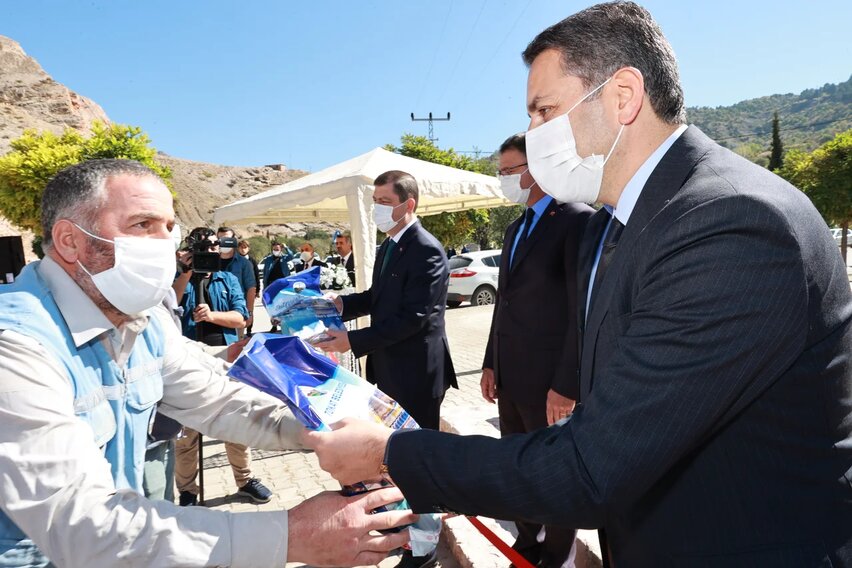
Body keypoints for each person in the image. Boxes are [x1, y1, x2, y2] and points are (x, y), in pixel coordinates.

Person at [304, 3, 852, 566]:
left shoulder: (730, 222)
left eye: (544, 111)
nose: (533, 135)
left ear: (622, 97)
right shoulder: (626, 221)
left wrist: (392, 454)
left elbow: (591, 468)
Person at [0, 159, 414, 567]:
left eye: (168, 228)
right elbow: (83, 525)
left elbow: (218, 401)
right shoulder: (16, 348)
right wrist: (292, 536)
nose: (164, 244)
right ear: (70, 240)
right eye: (142, 225)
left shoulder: (142, 322)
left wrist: (327, 433)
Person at [319, 170, 458, 568]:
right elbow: (377, 299)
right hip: (388, 370)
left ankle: (424, 549)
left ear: (407, 204)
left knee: (418, 465)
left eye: (384, 202)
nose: (377, 209)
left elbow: (413, 318)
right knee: (392, 462)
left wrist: (352, 340)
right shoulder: (389, 247)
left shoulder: (426, 249)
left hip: (417, 374)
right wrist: (341, 305)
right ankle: (403, 535)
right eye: (375, 201)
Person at [481, 132, 593, 568]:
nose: (504, 179)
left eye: (510, 171)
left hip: (550, 384)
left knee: (555, 474)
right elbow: (503, 305)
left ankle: (558, 557)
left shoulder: (576, 220)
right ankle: (527, 546)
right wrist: (490, 363)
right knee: (518, 469)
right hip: (511, 379)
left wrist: (567, 384)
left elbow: (581, 310)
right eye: (501, 171)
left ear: (539, 167)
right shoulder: (515, 228)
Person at [172, 227, 273, 506]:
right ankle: (188, 491)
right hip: (187, 361)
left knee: (235, 421)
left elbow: (242, 317)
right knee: (187, 434)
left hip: (226, 358)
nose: (211, 251)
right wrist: (185, 273)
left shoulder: (227, 278)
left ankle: (245, 480)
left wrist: (212, 316)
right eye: (204, 247)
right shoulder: (179, 278)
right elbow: (166, 309)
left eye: (215, 246)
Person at [216, 226, 257, 334]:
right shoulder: (211, 262)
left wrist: (250, 312)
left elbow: (251, 288)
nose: (223, 242)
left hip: (237, 313)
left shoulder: (244, 263)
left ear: (233, 240)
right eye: (220, 239)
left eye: (227, 239)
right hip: (215, 313)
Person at [238, 239, 261, 334]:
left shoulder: (252, 261)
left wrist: (257, 290)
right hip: (239, 289)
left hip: (250, 289)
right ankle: (240, 329)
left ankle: (249, 330)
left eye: (245, 247)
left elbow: (257, 276)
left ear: (248, 248)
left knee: (250, 310)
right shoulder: (236, 260)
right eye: (241, 247)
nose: (243, 249)